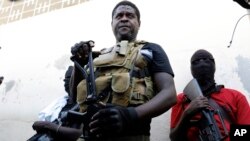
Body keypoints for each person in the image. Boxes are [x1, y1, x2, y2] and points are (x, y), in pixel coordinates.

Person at [33, 1, 177, 141]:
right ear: (112, 24)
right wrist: (79, 63)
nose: (124, 19)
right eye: (119, 16)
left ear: (139, 23)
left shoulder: (150, 49)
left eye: (130, 16)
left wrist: (130, 115)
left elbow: (169, 94)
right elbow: (74, 97)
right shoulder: (97, 57)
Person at [169, 49, 250, 141]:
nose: (202, 63)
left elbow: (245, 132)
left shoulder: (236, 96)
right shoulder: (182, 99)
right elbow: (174, 138)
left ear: (214, 66)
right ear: (191, 69)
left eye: (207, 60)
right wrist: (186, 115)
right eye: (196, 62)